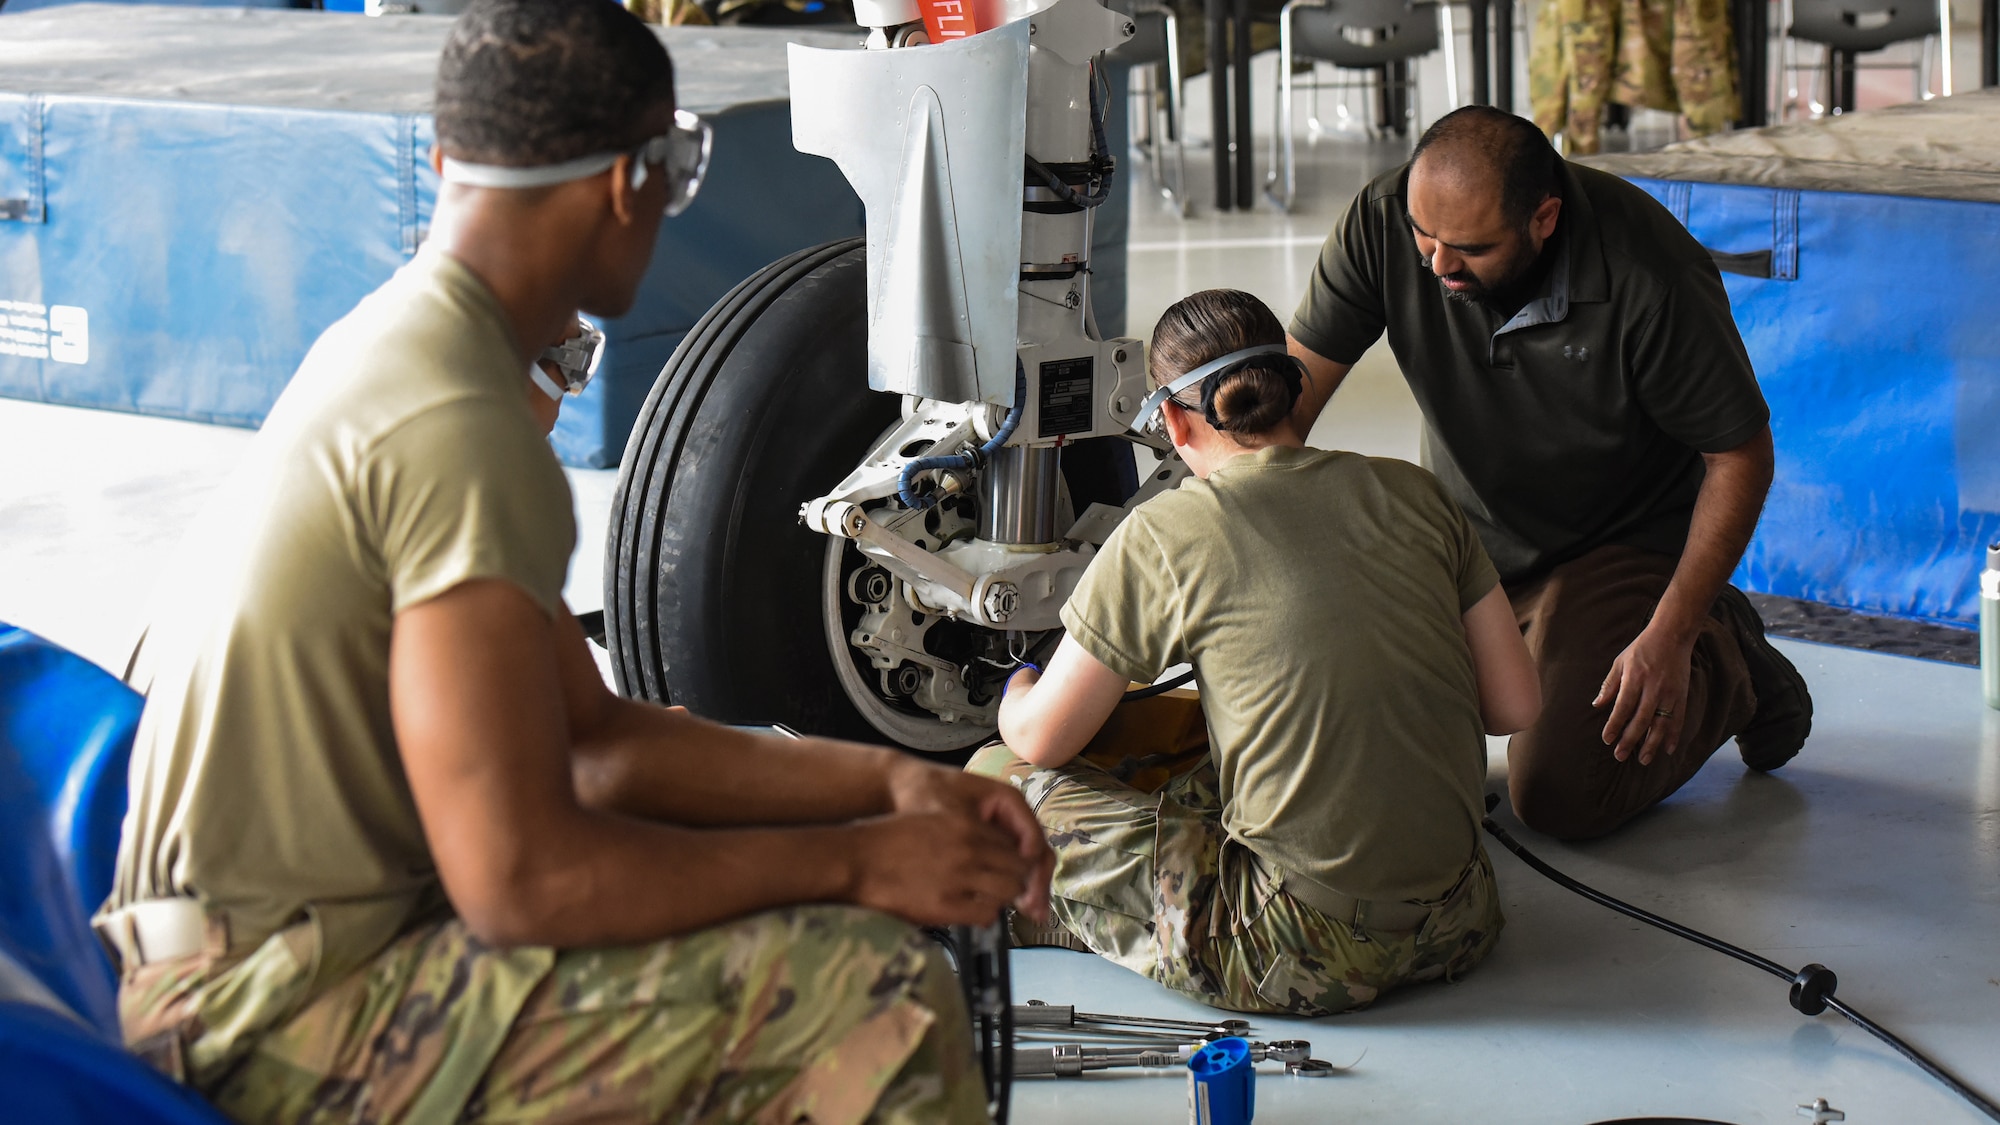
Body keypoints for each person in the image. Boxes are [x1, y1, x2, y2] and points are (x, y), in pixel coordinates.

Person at [93, 3, 1050, 1122]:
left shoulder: (395, 351)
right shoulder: (456, 427)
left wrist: (887, 786)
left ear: (452, 162)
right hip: (274, 1014)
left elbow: (590, 743)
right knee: (864, 988)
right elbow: (522, 882)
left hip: (234, 963)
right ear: (630, 182)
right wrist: (851, 866)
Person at [970, 288, 1541, 1016]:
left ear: (1172, 421)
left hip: (1293, 947)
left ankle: (1084, 917)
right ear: (1294, 388)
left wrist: (1017, 683)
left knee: (1000, 781)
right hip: (1462, 917)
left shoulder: (1166, 533)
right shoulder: (1416, 491)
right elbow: (1515, 704)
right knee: (1209, 754)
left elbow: (1041, 738)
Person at [1286, 105, 1813, 842]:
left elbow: (1740, 455)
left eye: (1469, 247)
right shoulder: (1384, 219)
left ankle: (1730, 658)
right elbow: (1287, 405)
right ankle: (1541, 639)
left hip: (1617, 544)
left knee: (1561, 793)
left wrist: (1671, 633)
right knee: (1358, 741)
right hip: (1468, 539)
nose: (1437, 265)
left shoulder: (1650, 275)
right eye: (1423, 236)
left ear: (1544, 219)